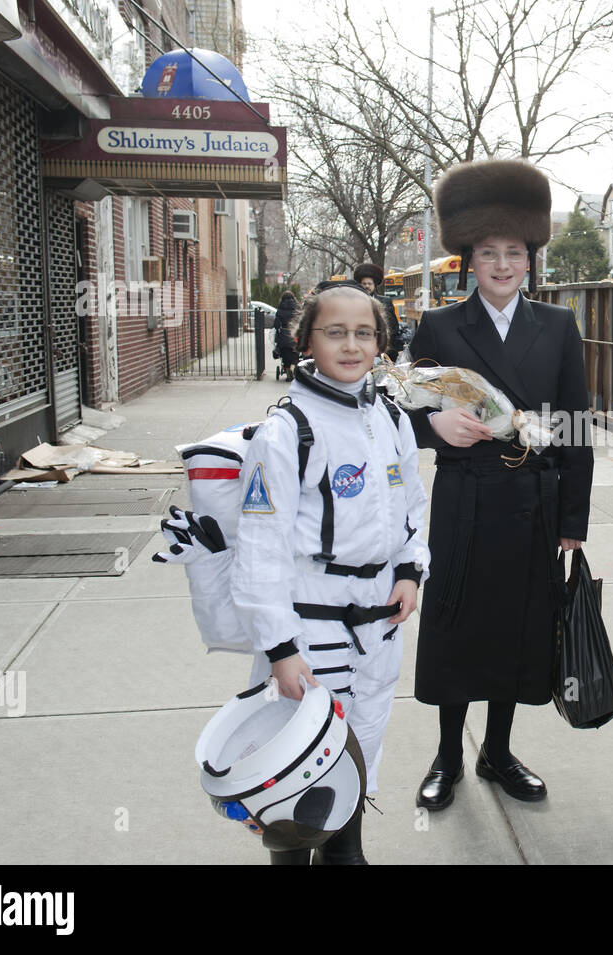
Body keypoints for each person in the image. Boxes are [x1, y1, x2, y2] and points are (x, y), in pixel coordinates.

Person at [405, 159, 593, 811]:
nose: (503, 264)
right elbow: (402, 410)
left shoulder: (560, 327)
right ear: (469, 258)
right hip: (465, 500)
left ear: (530, 257)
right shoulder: (439, 327)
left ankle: (499, 751)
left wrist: (574, 518)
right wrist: (436, 426)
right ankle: (447, 754)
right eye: (490, 252)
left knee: (517, 629)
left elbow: (576, 424)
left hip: (534, 507)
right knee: (458, 625)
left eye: (514, 251)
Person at [231, 284, 430, 864]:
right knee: (297, 766)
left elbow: (413, 506)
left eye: (364, 333)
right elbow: (260, 549)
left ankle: (348, 852)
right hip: (309, 628)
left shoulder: (390, 417)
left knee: (361, 746)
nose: (351, 345)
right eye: (334, 332)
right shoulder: (286, 431)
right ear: (306, 341)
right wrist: (280, 649)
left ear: (381, 342)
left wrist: (410, 572)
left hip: (379, 621)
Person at [355, 263, 405, 362]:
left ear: (375, 285)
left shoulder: (385, 302)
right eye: (364, 284)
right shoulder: (353, 302)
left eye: (369, 284)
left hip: (383, 351)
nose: (367, 286)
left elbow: (394, 327)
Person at [273, 290, 299, 380]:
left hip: (284, 335)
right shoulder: (297, 308)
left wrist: (278, 330)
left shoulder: (280, 309)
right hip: (294, 334)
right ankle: (293, 366)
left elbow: (276, 324)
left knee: (284, 354)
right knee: (295, 353)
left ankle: (287, 371)